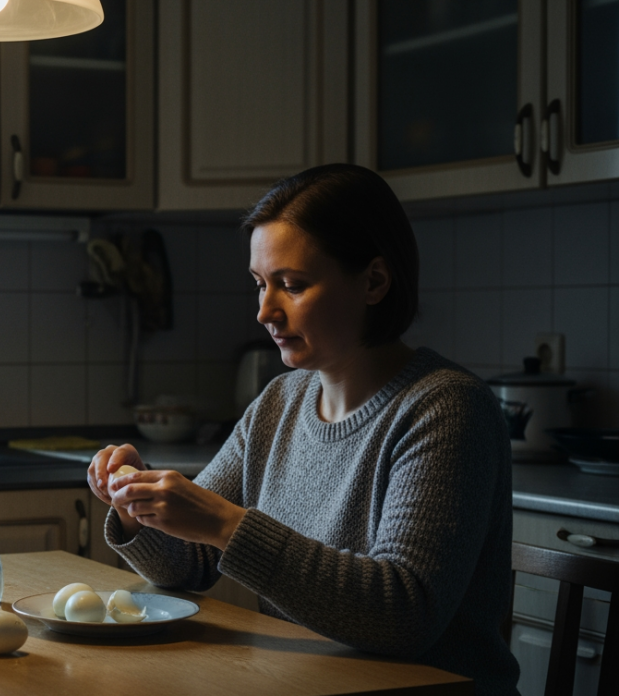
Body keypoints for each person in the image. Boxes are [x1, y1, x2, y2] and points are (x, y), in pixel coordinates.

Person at [88, 164, 520, 695]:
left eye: (292, 285)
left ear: (375, 281)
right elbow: (188, 565)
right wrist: (140, 509)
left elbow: (405, 616)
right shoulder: (281, 402)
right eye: (259, 284)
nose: (264, 311)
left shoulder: (446, 408)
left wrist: (227, 524)